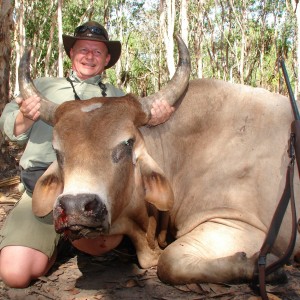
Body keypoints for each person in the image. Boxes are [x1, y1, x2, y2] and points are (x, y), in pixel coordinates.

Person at [0, 21, 175, 288]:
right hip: (43, 184)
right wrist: (25, 117)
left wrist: (156, 116)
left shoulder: (120, 98)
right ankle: (55, 245)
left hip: (96, 191)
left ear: (107, 59)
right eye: (83, 49)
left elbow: (137, 137)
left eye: (97, 52)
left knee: (104, 242)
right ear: (72, 54)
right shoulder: (42, 88)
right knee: (16, 275)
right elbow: (11, 130)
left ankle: (77, 242)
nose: (89, 56)